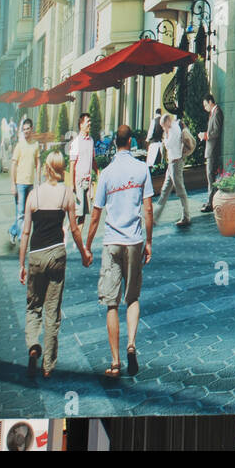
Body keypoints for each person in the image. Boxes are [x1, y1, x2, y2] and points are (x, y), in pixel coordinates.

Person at [85, 124, 154, 378]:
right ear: (131, 142)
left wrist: (88, 244)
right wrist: (149, 242)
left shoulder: (106, 173)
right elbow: (148, 209)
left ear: (115, 143)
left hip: (112, 241)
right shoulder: (141, 168)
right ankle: (131, 344)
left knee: (111, 304)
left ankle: (115, 363)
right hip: (134, 240)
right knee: (132, 298)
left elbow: (95, 215)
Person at [18, 151, 92, 379]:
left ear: (46, 168)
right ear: (61, 170)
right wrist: (84, 253)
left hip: (37, 255)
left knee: (33, 307)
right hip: (57, 255)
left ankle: (33, 345)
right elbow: (75, 229)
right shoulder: (66, 194)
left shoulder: (34, 196)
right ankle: (48, 365)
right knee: (52, 311)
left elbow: (26, 232)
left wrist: (22, 263)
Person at [154, 112, 193, 228]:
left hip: (175, 163)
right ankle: (155, 217)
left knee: (180, 191)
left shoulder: (174, 129)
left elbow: (168, 145)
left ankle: (186, 216)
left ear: (167, 122)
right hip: (172, 163)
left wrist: (165, 135)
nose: (162, 128)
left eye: (163, 126)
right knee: (165, 190)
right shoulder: (173, 127)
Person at [9, 118, 39, 246]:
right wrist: (13, 184)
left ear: (31, 129)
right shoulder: (19, 145)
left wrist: (38, 182)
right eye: (24, 129)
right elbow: (13, 165)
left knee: (28, 213)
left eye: (28, 129)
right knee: (20, 212)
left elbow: (38, 164)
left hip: (31, 184)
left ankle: (13, 231)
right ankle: (22, 238)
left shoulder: (35, 145)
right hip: (20, 184)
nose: (26, 131)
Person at [66, 112, 96, 225]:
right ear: (81, 124)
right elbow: (72, 164)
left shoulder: (91, 141)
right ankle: (67, 228)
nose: (90, 124)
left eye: (90, 121)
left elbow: (93, 161)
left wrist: (97, 173)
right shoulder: (76, 142)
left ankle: (77, 243)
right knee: (77, 212)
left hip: (87, 182)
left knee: (84, 214)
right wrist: (71, 184)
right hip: (78, 182)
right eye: (88, 121)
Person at [199, 93, 223, 213]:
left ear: (210, 102)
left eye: (205, 105)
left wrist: (205, 135)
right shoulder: (213, 113)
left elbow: (216, 132)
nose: (205, 108)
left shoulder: (217, 112)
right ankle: (211, 200)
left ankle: (211, 202)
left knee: (211, 177)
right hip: (211, 149)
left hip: (213, 150)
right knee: (211, 177)